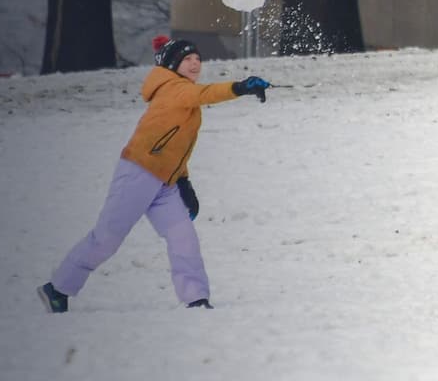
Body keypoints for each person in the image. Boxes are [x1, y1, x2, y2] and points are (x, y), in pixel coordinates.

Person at [37, 36, 272, 312]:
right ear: (173, 64)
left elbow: (174, 146)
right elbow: (204, 94)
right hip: (138, 172)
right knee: (107, 238)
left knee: (183, 236)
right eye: (187, 59)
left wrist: (184, 183)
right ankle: (58, 288)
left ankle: (196, 298)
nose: (195, 64)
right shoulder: (174, 88)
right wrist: (241, 87)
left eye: (197, 59)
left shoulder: (181, 92)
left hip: (164, 182)